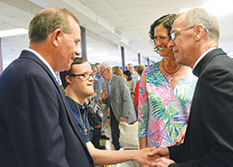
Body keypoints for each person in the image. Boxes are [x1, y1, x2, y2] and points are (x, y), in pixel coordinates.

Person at [150, 8, 233, 167]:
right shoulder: (219, 69)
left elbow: (232, 158)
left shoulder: (218, 75)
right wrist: (172, 152)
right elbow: (208, 142)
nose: (170, 43)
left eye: (175, 35)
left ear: (198, 32)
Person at [0, 8, 94, 166]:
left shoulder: (34, 73)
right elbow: (45, 159)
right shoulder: (31, 77)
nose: (78, 51)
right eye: (76, 42)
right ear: (57, 37)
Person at [60, 58, 155, 166]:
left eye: (91, 75)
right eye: (84, 75)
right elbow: (92, 154)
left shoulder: (81, 109)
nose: (91, 79)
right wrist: (136, 154)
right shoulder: (66, 113)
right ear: (69, 79)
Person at [138, 13, 197, 151]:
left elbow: (204, 115)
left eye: (162, 37)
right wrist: (143, 154)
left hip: (187, 148)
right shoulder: (149, 73)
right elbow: (143, 117)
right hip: (155, 150)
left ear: (175, 38)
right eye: (155, 38)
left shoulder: (195, 73)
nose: (158, 43)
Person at [100, 62, 136, 150]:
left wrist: (124, 115)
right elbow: (107, 102)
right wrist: (104, 98)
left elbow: (127, 99)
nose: (101, 76)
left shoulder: (120, 80)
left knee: (127, 140)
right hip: (113, 115)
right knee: (116, 138)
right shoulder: (104, 84)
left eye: (101, 73)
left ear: (108, 70)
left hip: (124, 114)